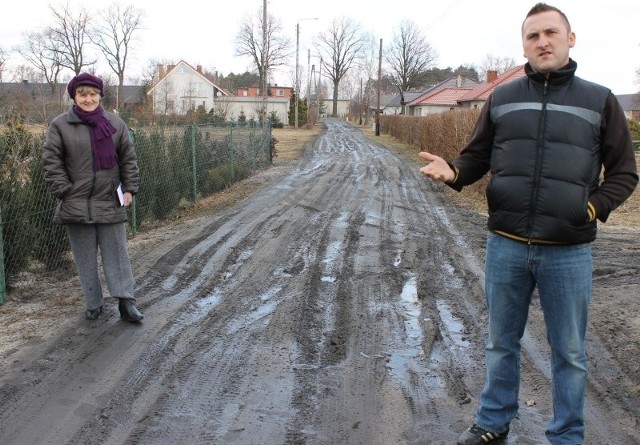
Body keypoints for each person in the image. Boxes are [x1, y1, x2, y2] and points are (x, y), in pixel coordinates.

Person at [419, 3, 638, 445]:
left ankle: (567, 435)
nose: (543, 41)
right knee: (501, 343)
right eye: (533, 35)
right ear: (524, 44)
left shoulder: (600, 100)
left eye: (551, 32)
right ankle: (493, 423)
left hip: (568, 251)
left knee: (570, 353)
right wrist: (455, 171)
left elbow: (625, 174)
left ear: (570, 39)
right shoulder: (502, 97)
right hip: (506, 245)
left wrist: (590, 209)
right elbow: (477, 156)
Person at [43, 72, 144, 323]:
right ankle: (93, 304)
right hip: (76, 202)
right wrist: (64, 190)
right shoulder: (60, 125)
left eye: (92, 94)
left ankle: (126, 302)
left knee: (117, 254)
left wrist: (129, 189)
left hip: (109, 199)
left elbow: (128, 159)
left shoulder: (115, 124)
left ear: (100, 95)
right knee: (85, 258)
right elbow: (51, 161)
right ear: (74, 96)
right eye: (82, 94)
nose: (88, 99)